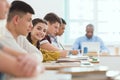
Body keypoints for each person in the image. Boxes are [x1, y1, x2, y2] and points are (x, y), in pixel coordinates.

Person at [0, 0, 43, 79]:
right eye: (29, 20)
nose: (31, 25)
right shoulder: (3, 36)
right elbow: (26, 68)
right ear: (16, 20)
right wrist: (37, 64)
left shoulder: (21, 37)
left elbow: (38, 54)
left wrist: (33, 59)